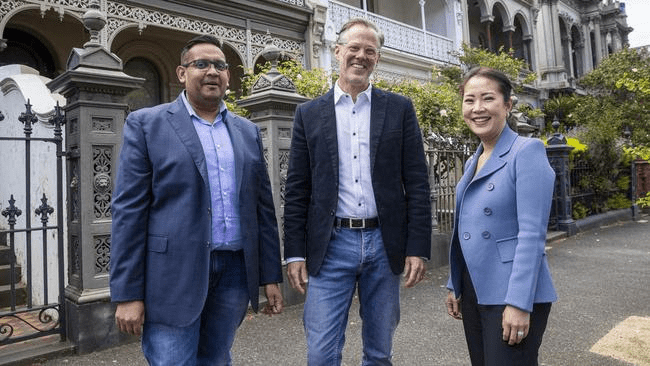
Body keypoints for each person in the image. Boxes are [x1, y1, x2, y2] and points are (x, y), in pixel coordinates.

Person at [109, 34, 283, 366]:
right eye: (201, 64)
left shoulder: (247, 132)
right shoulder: (147, 125)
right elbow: (129, 212)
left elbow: (262, 208)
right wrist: (128, 294)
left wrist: (269, 275)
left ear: (228, 76)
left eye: (220, 65)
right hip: (171, 274)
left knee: (217, 359)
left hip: (233, 272)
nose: (212, 71)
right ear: (181, 73)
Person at [283, 17, 432, 365]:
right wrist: (294, 253)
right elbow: (297, 189)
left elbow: (418, 182)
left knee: (379, 352)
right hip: (330, 245)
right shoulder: (309, 114)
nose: (361, 56)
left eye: (370, 50)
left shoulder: (399, 109)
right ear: (337, 51)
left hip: (384, 243)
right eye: (354, 48)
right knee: (321, 354)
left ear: (377, 59)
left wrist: (417, 247)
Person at [445, 67, 557, 365]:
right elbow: (466, 227)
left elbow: (532, 234)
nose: (477, 108)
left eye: (487, 98)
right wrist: (454, 282)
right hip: (474, 289)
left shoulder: (527, 151)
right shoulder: (475, 158)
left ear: (507, 105)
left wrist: (519, 303)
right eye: (469, 100)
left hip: (512, 291)